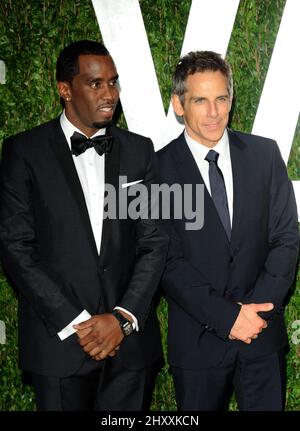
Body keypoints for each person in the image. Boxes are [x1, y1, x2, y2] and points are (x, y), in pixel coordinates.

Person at [0, 40, 168, 411]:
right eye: (96, 84)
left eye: (113, 82)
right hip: (58, 345)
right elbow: (16, 246)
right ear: (64, 89)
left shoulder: (139, 151)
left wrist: (122, 318)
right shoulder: (24, 152)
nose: (109, 94)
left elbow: (154, 241)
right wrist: (78, 322)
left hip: (129, 350)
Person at [158, 51, 299, 411]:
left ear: (231, 100)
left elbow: (286, 239)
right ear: (178, 104)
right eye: (200, 100)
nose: (214, 112)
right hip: (198, 344)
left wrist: (254, 313)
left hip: (262, 337)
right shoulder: (156, 170)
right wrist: (228, 317)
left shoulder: (264, 155)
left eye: (221, 98)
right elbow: (166, 260)